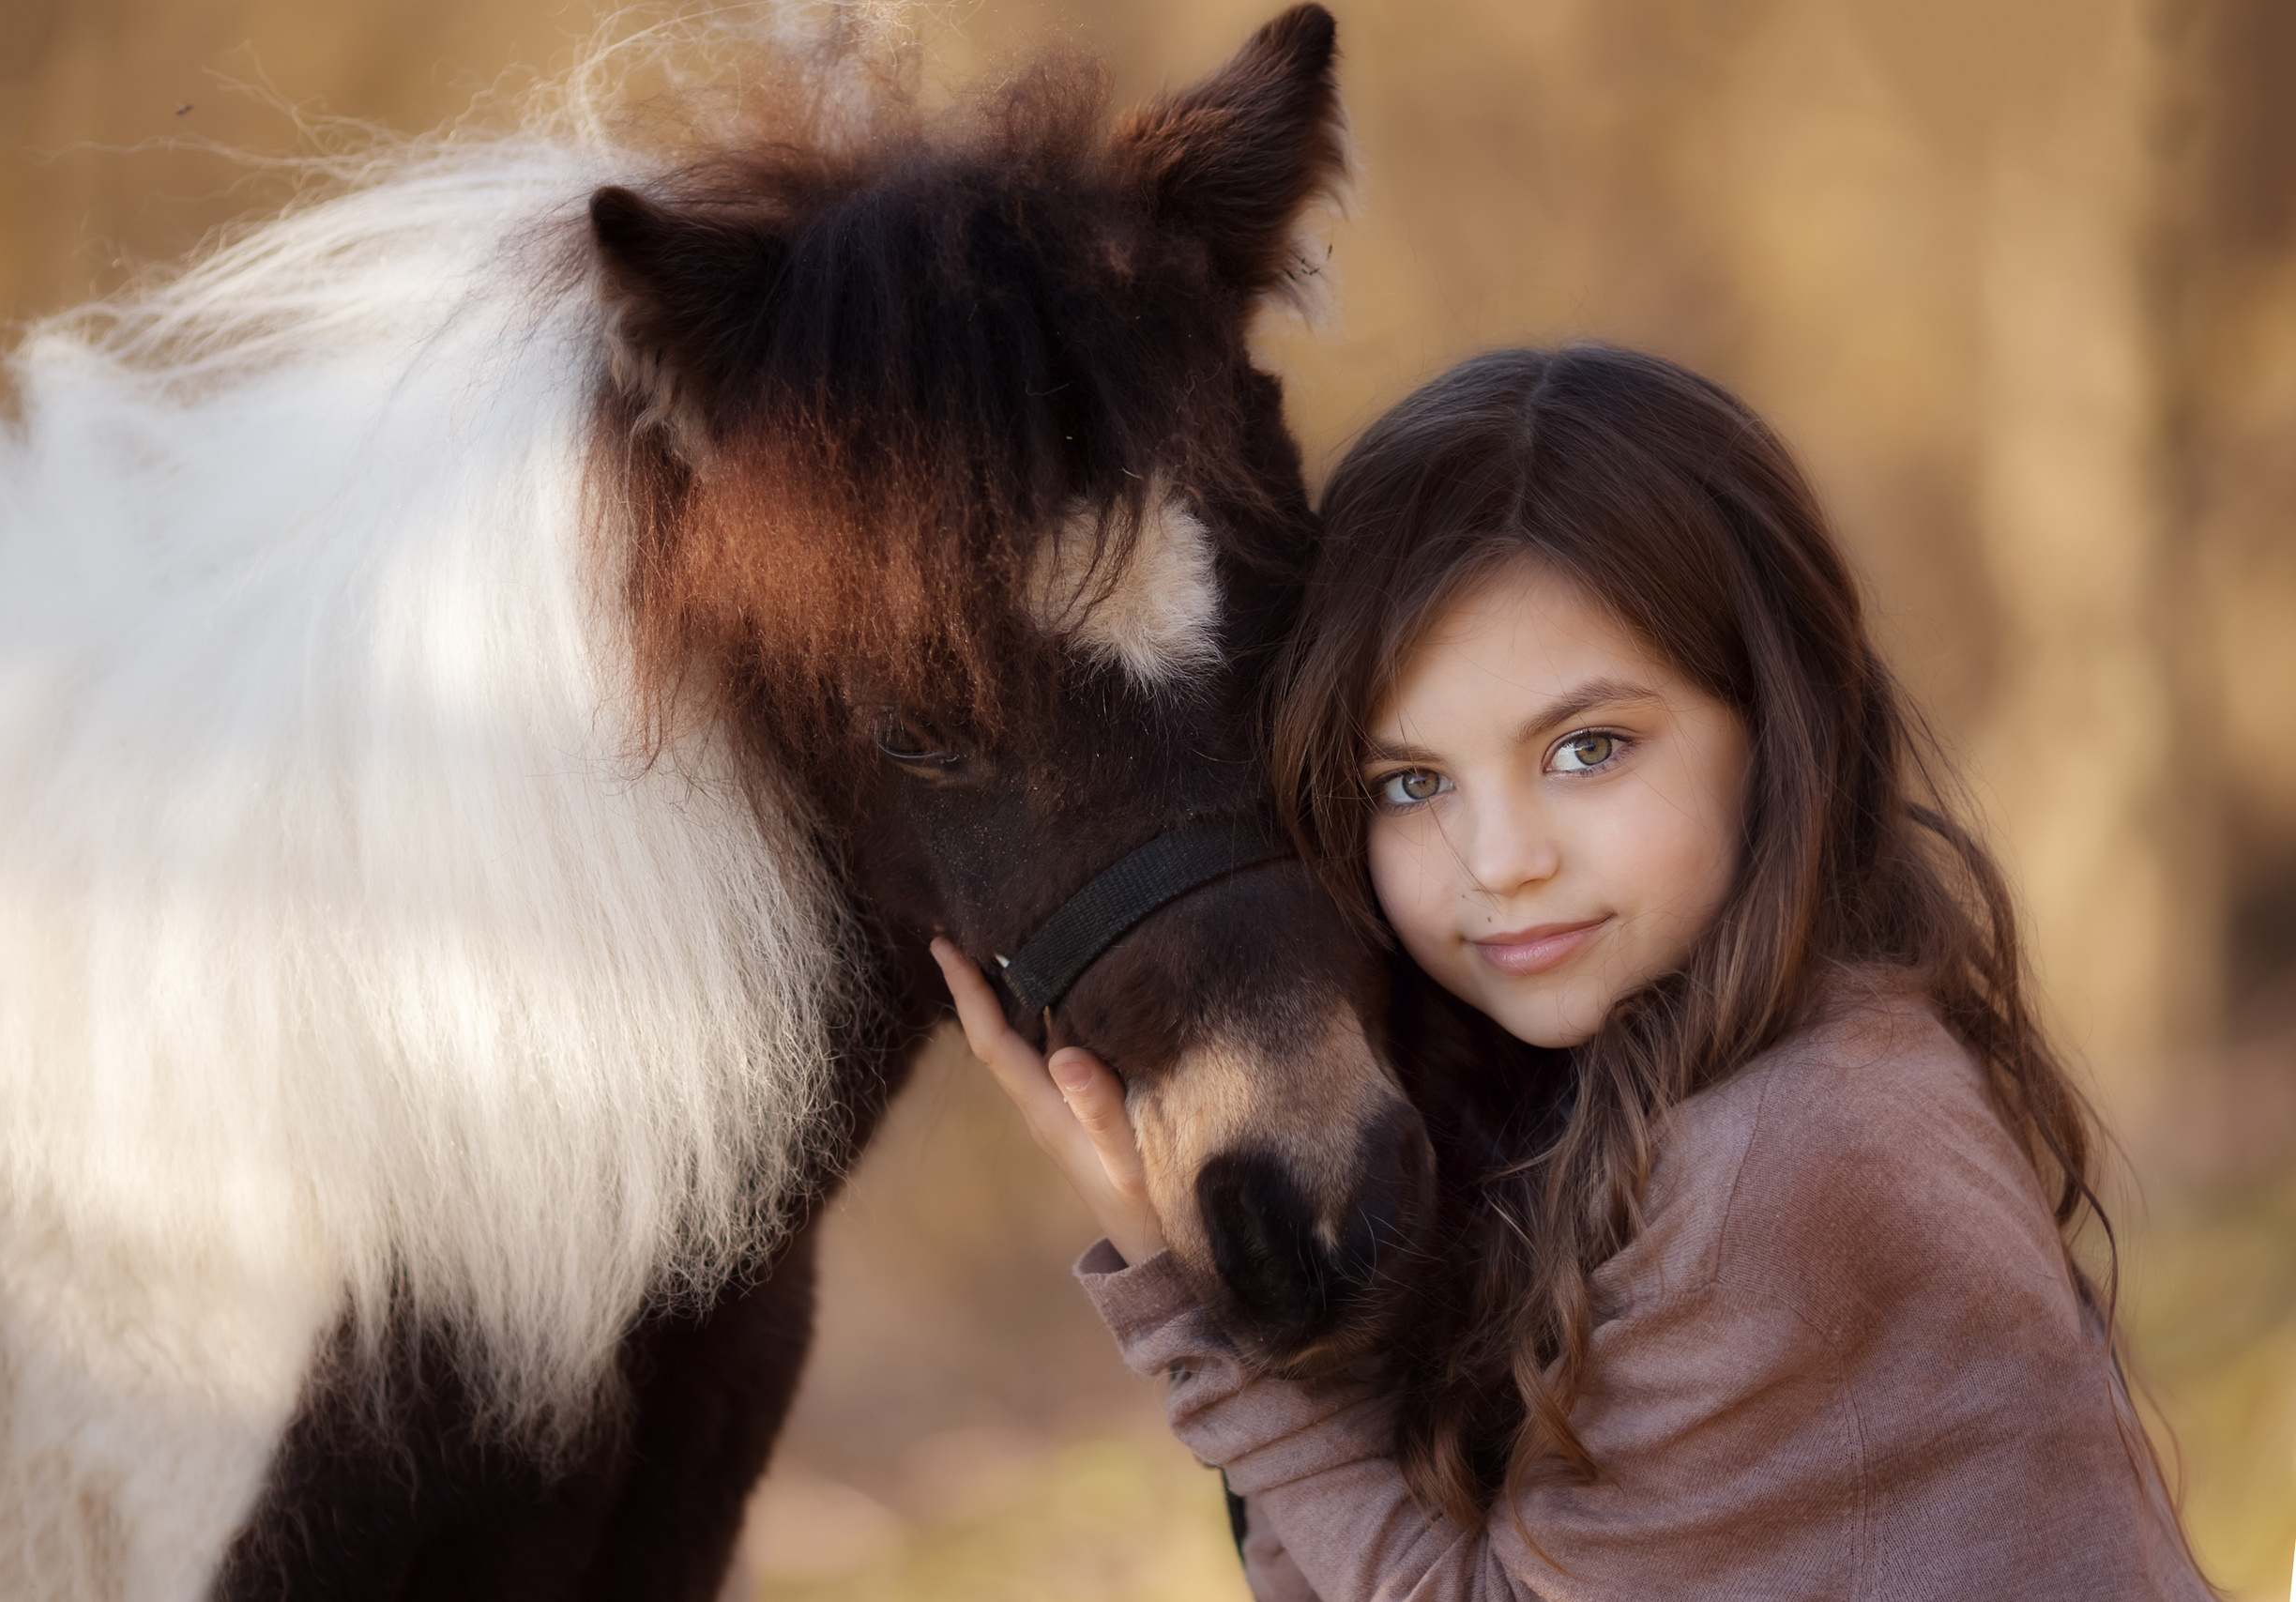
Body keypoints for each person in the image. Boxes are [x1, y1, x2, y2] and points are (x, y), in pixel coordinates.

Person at [932, 344, 2215, 1599]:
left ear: (1777, 724)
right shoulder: (1652, 1083)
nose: (1502, 859)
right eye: (1413, 783)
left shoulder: (1788, 1160)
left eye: (1589, 748)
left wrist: (1187, 1310)